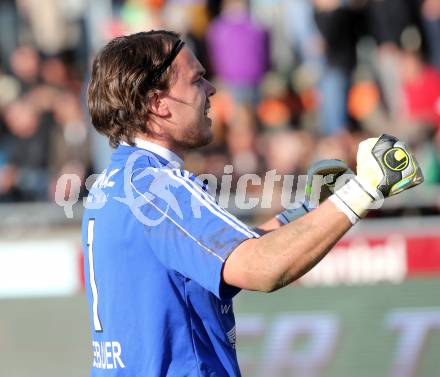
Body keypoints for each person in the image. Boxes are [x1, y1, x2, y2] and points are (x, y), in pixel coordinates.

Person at [82, 30, 423, 376]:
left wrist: (309, 212)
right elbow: (259, 267)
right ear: (158, 103)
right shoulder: (157, 184)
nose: (211, 89)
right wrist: (365, 189)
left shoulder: (117, 179)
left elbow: (233, 253)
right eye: (197, 79)